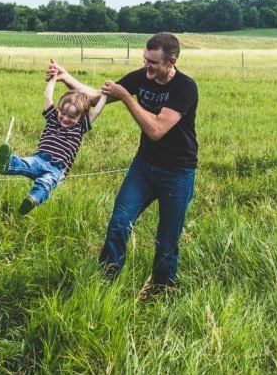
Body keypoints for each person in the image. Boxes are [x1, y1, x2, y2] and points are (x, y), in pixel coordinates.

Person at [50, 32, 199, 296]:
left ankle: (161, 292)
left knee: (166, 240)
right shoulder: (141, 77)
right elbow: (97, 97)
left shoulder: (185, 88)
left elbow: (155, 129)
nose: (147, 66)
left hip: (178, 172)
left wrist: (127, 97)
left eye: (153, 62)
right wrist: (65, 77)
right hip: (144, 166)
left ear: (171, 61)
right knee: (119, 222)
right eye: (145, 59)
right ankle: (106, 283)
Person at [0, 69, 107, 215]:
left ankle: (32, 199)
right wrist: (53, 79)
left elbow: (96, 111)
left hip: (57, 170)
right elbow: (48, 97)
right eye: (63, 112)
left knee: (45, 183)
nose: (65, 118)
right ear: (59, 109)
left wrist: (105, 95)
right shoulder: (53, 118)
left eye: (72, 117)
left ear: (81, 117)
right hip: (39, 158)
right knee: (25, 163)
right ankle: (7, 165)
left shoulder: (81, 127)